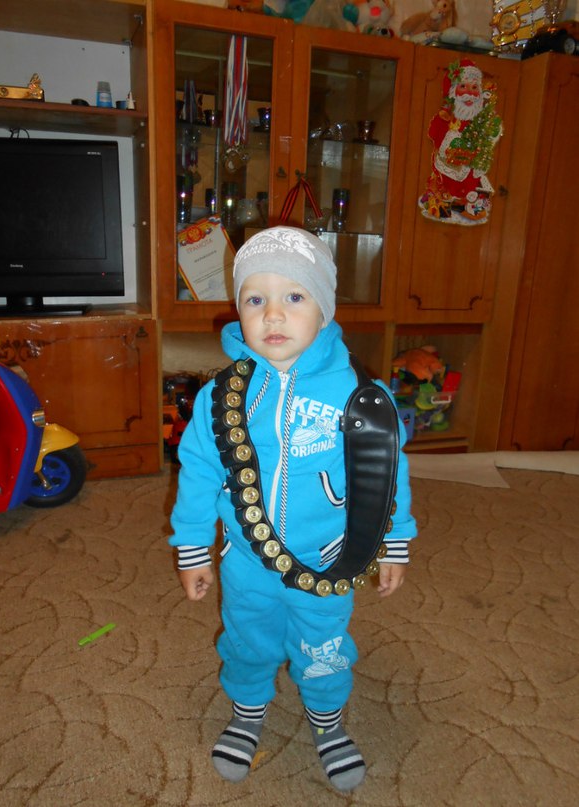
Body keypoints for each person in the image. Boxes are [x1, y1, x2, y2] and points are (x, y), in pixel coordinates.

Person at [169, 226, 416, 792]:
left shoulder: (358, 393)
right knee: (246, 638)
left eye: (295, 297)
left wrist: (395, 542)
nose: (273, 315)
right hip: (246, 561)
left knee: (323, 647)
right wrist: (192, 549)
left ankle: (327, 721)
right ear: (239, 309)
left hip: (327, 562)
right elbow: (199, 472)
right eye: (255, 299)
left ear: (324, 310)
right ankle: (247, 710)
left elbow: (387, 475)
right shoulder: (221, 396)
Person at [419, 58, 502, 224]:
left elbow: (491, 137)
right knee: (443, 203)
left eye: (474, 88)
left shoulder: (482, 121)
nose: (469, 93)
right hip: (446, 177)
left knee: (471, 203)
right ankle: (444, 207)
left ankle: (466, 209)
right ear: (453, 91)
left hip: (470, 182)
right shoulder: (445, 119)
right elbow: (433, 134)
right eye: (463, 86)